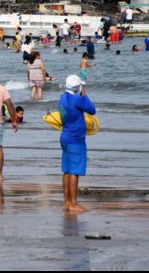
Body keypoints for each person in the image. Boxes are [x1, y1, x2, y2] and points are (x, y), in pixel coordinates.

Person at [58, 75, 96, 213]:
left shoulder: (62, 98)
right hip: (76, 139)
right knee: (75, 171)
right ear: (77, 87)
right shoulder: (77, 100)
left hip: (65, 137)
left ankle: (66, 202)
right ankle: (73, 203)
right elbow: (92, 109)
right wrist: (84, 96)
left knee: (67, 170)